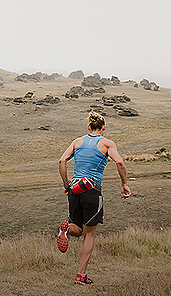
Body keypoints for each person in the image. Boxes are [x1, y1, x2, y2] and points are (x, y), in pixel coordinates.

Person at [56, 110, 131, 284]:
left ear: (89, 127)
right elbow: (119, 162)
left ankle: (66, 229)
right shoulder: (107, 143)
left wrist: (66, 184)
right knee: (89, 235)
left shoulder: (77, 142)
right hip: (92, 190)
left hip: (74, 189)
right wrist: (124, 184)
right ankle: (81, 275)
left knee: (78, 228)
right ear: (103, 128)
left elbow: (61, 161)